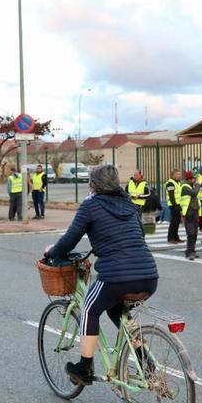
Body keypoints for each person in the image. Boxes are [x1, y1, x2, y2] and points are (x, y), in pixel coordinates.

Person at [44, 165, 158, 386]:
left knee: (89, 308)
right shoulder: (130, 205)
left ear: (94, 185)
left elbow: (70, 239)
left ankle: (84, 367)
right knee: (118, 312)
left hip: (116, 278)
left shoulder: (90, 206)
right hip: (149, 276)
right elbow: (138, 237)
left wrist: (52, 252)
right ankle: (144, 358)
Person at [181, 170, 200, 260]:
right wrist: (197, 185)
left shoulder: (191, 186)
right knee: (191, 233)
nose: (195, 180)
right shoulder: (185, 187)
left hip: (195, 212)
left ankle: (192, 250)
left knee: (195, 233)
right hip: (188, 213)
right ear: (189, 179)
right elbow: (195, 193)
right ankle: (189, 252)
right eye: (193, 178)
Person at [164, 169, 183, 244]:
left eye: (180, 174)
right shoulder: (170, 183)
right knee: (174, 222)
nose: (179, 176)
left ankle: (176, 237)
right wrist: (175, 205)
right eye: (178, 174)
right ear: (173, 175)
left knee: (177, 222)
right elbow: (171, 196)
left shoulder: (177, 183)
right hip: (174, 205)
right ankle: (170, 238)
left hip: (178, 205)